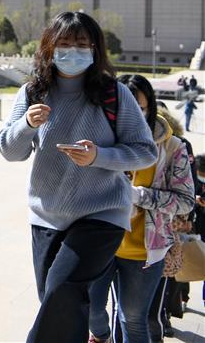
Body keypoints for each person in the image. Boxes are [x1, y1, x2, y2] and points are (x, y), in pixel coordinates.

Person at [0, 11, 157, 343]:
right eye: (65, 43)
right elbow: (9, 151)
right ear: (50, 48)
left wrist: (100, 155)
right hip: (47, 215)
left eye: (82, 44)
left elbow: (145, 150)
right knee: (56, 302)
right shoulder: (32, 94)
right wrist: (27, 124)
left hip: (102, 213)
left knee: (62, 289)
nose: (73, 51)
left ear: (95, 49)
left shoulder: (114, 94)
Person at [87, 74, 195, 343]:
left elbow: (185, 200)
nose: (131, 115)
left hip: (144, 252)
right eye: (123, 107)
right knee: (89, 307)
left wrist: (138, 196)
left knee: (132, 319)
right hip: (100, 244)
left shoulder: (172, 148)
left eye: (140, 107)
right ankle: (101, 336)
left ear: (151, 108)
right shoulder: (99, 142)